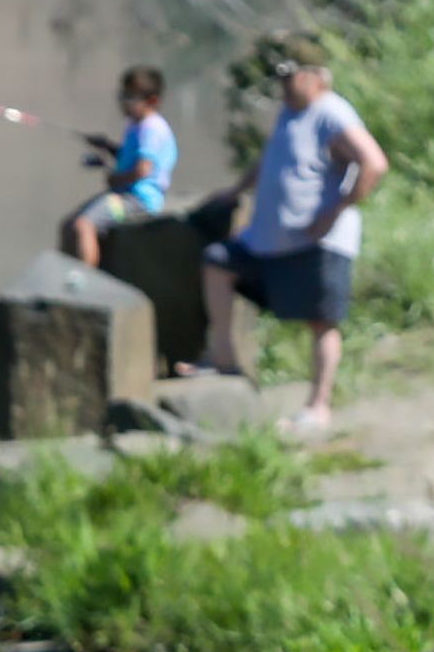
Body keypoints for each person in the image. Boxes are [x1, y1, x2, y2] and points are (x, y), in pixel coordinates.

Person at [186, 36, 387, 427]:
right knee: (218, 262)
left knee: (321, 323)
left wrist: (334, 212)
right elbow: (272, 159)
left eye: (289, 77)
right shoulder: (288, 112)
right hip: (267, 241)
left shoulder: (331, 113)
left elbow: (373, 163)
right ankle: (223, 359)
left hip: (318, 242)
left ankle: (318, 406)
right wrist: (236, 191)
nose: (282, 86)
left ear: (314, 78)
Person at [64, 67, 177, 267]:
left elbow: (143, 170)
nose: (123, 103)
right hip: (123, 195)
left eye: (130, 98)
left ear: (151, 101)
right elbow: (128, 156)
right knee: (70, 224)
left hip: (138, 201)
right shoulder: (135, 124)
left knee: (84, 225)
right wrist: (106, 145)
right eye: (122, 96)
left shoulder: (151, 129)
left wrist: (115, 179)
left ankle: (85, 278)